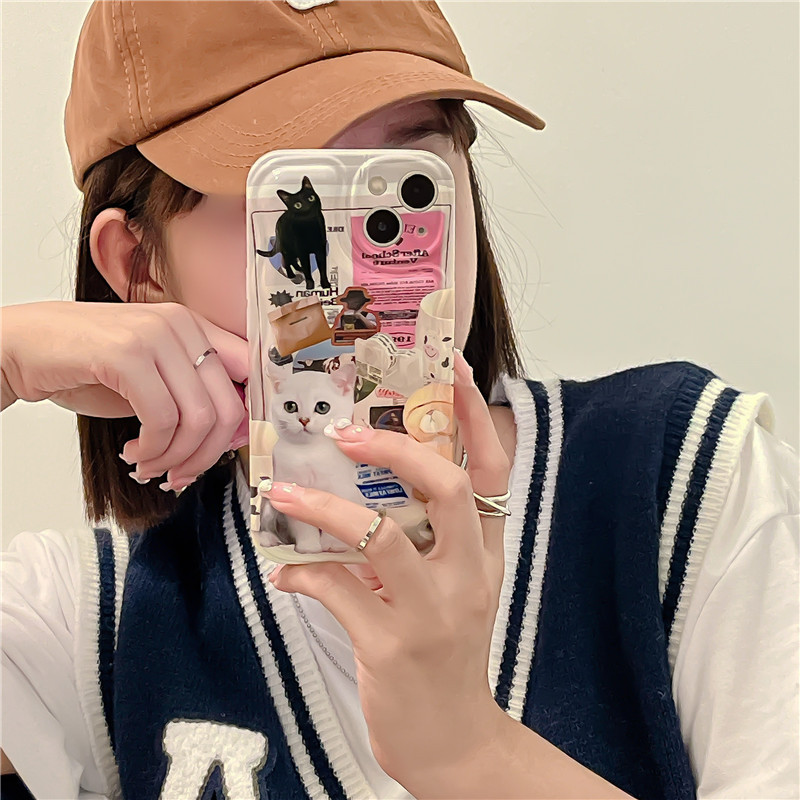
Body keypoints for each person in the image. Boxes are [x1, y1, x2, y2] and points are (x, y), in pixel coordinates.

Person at [1, 2, 797, 799]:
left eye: (409, 181)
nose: (372, 263)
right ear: (139, 266)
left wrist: (473, 755)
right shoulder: (91, 619)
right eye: (301, 195)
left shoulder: (685, 484)